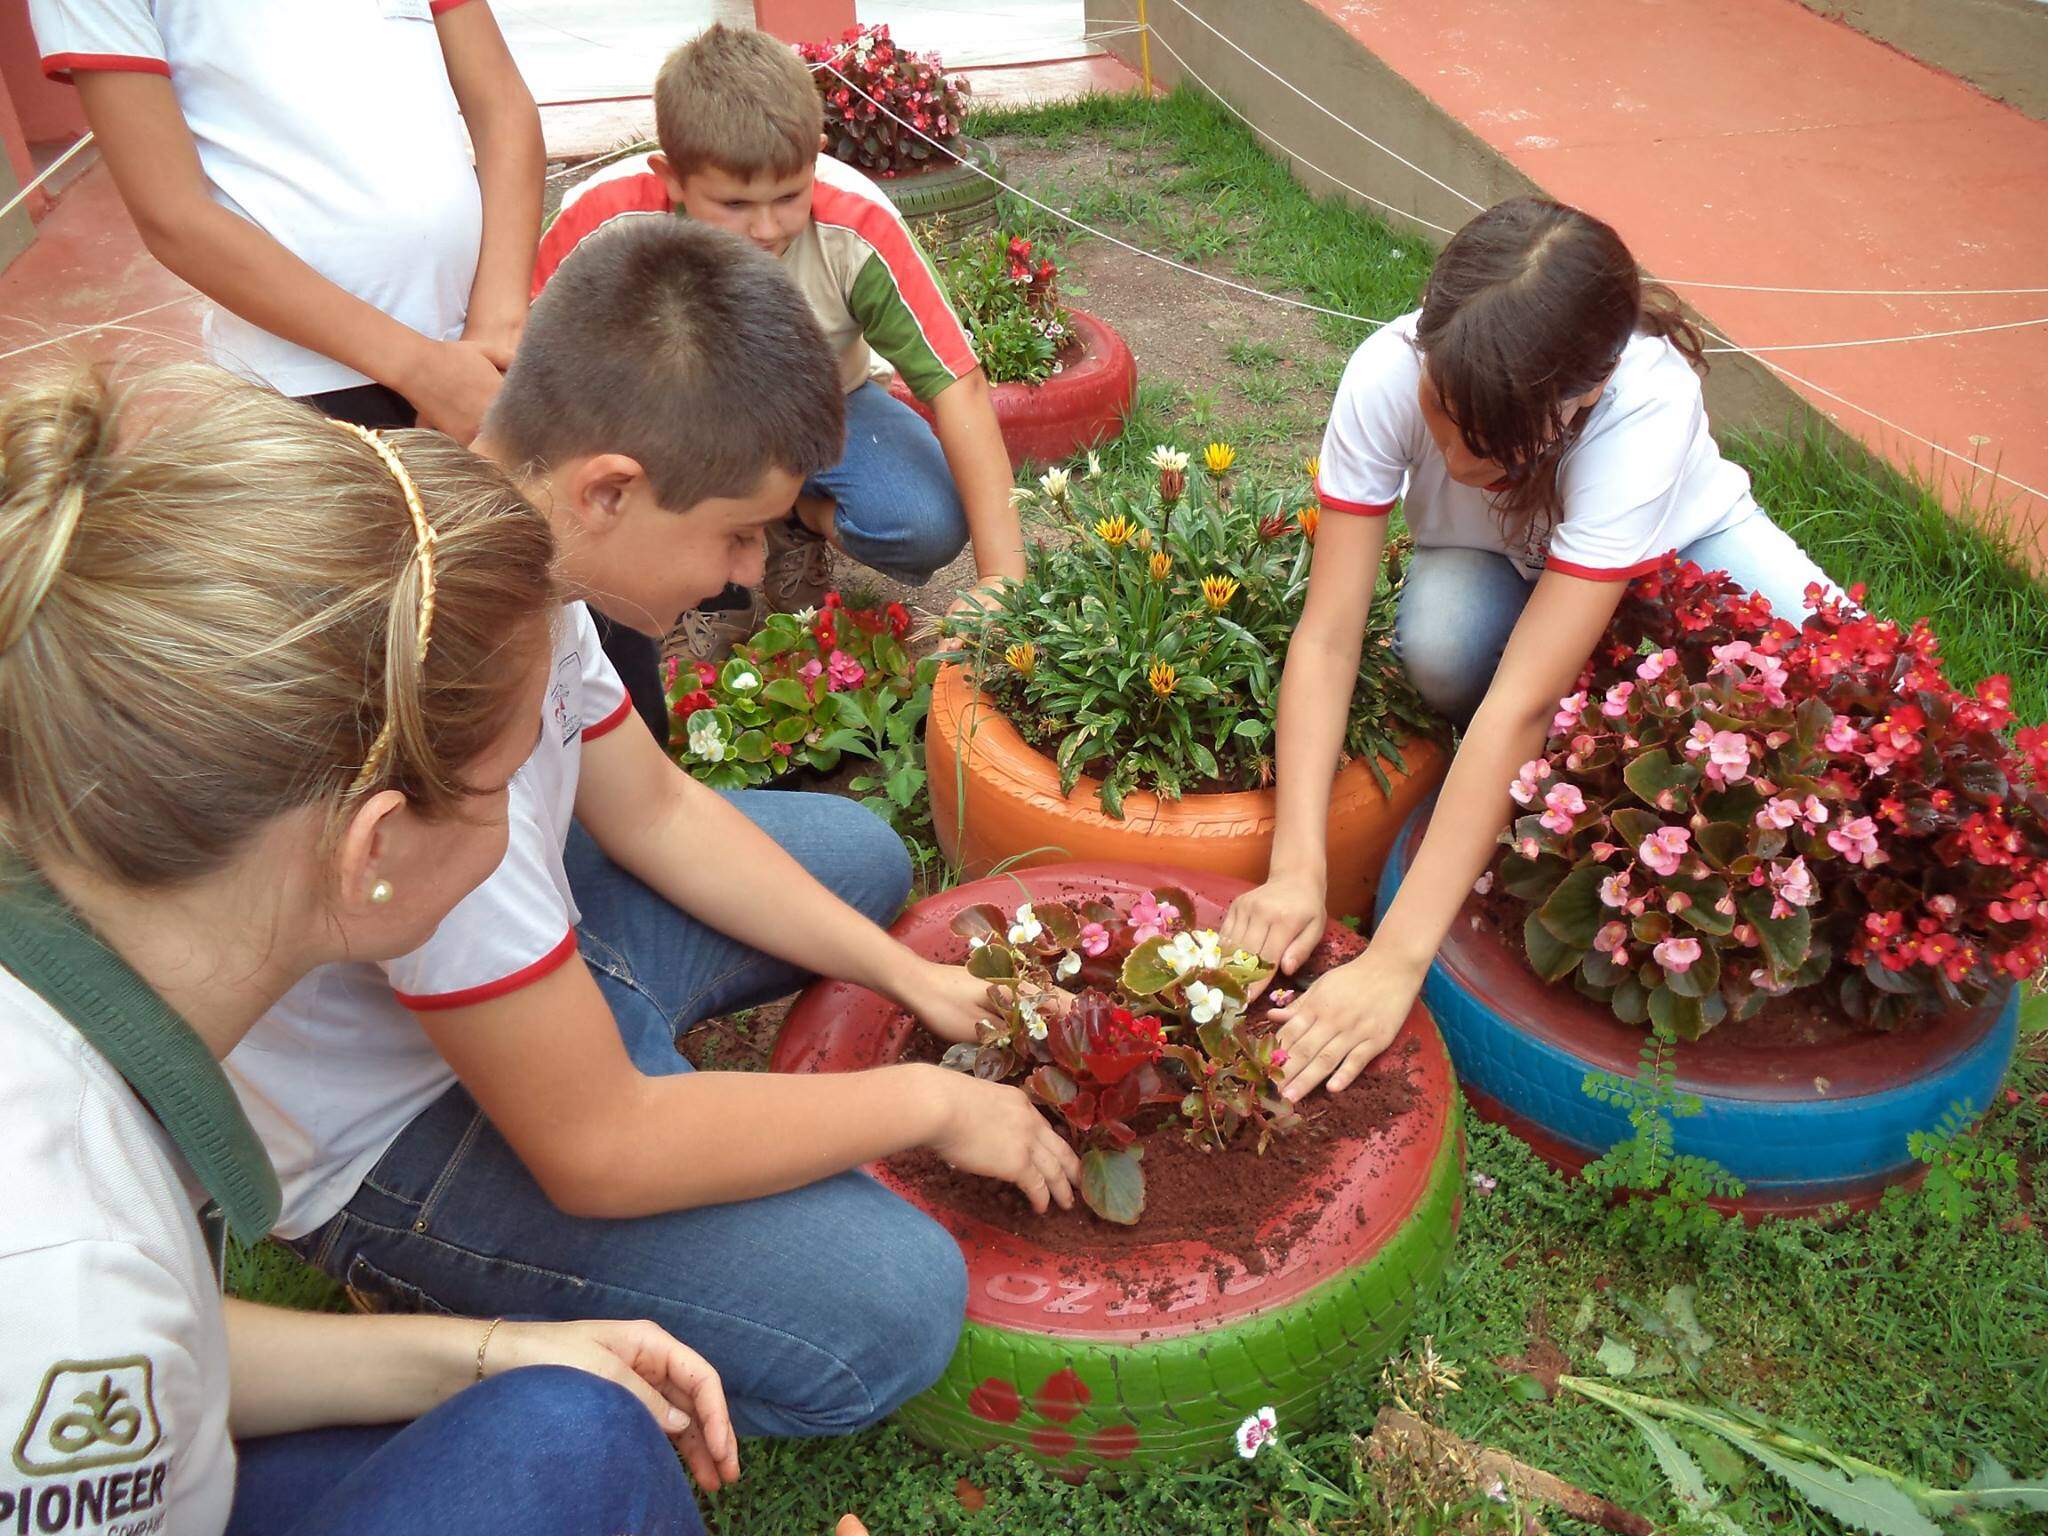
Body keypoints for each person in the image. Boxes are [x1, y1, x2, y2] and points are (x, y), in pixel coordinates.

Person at [226, 216, 1080, 1444]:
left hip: (514, 963)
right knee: (891, 1307)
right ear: (610, 488)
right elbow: (598, 1149)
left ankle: (613, 1021)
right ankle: (429, 1245)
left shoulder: (501, 533)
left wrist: (907, 981)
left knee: (860, 866)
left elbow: (657, 807)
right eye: (736, 533)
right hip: (397, 1132)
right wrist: (930, 1106)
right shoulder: (449, 718)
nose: (746, 575)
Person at [0, 363, 730, 1536]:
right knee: (577, 1450)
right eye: (506, 781)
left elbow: (173, 1345)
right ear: (373, 847)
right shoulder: (63, 1289)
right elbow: (96, 1329)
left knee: (557, 1417)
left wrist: (485, 1352)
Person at [1221, 196, 1836, 1100]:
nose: (1453, 453)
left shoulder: (1646, 406)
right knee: (1439, 647)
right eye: (1440, 416)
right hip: (1494, 557)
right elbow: (1326, 637)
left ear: (1582, 396)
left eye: (1486, 440)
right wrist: (1295, 869)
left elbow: (1522, 705)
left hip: (1682, 545)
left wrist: (1395, 961)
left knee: (1829, 658)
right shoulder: (1387, 369)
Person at [534, 21, 1022, 687]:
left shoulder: (858, 226)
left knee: (925, 520)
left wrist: (1001, 582)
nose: (767, 229)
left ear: (816, 157)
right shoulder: (608, 218)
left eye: (789, 197)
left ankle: (787, 519)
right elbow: (524, 372)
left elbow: (957, 385)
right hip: (656, 425)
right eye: (734, 203)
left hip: (820, 411)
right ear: (670, 177)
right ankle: (687, 590)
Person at [30, 0, 543, 439]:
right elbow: (173, 216)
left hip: (479, 357)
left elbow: (502, 109)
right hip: (303, 389)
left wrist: (497, 328)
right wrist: (420, 368)